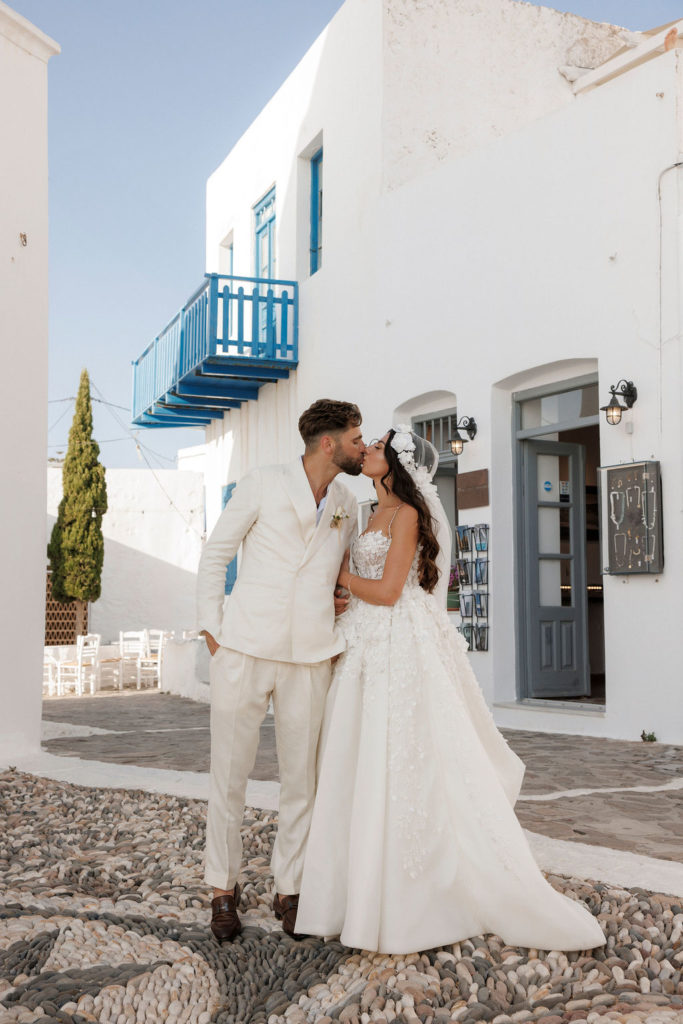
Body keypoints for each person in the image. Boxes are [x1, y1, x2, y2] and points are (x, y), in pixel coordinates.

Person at [295, 426, 606, 955]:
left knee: (401, 758)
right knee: (356, 759)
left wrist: (340, 578)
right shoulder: (368, 513)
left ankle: (410, 900)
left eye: (377, 447)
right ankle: (349, 897)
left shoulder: (408, 515)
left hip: (396, 644)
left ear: (396, 464)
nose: (367, 450)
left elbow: (389, 592)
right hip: (363, 647)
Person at [196, 399, 364, 943]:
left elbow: (339, 574)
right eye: (355, 438)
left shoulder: (347, 503)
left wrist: (337, 601)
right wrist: (213, 630)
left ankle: (290, 890)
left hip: (311, 656)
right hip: (244, 649)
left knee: (302, 783)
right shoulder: (263, 483)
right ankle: (222, 890)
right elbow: (215, 555)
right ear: (328, 444)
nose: (362, 447)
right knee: (229, 777)